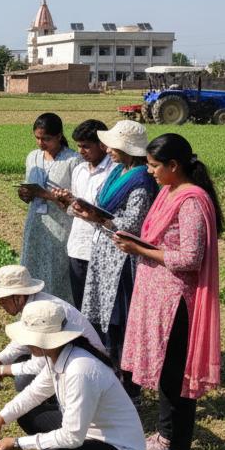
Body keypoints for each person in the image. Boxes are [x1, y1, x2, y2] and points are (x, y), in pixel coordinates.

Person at [116, 133, 224, 450]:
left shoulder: (191, 201)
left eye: (153, 165)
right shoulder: (169, 191)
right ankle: (165, 436)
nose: (149, 171)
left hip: (177, 302)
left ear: (173, 166)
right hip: (158, 298)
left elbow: (190, 258)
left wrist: (140, 250)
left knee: (178, 378)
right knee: (166, 372)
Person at [0, 301, 145, 450]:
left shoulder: (80, 370)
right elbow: (34, 392)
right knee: (28, 415)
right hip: (89, 433)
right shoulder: (59, 355)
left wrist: (17, 444)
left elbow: (72, 436)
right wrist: (1, 418)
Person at [66, 119, 157, 367]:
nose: (108, 150)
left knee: (119, 314)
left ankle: (124, 368)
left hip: (123, 257)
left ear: (127, 149)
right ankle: (108, 361)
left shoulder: (141, 180)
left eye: (113, 146)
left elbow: (133, 223)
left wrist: (99, 219)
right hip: (104, 251)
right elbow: (102, 206)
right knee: (105, 314)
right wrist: (88, 212)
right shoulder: (118, 172)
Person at [0, 264, 106, 430]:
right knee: (24, 375)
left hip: (89, 396)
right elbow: (22, 343)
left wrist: (3, 369)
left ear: (19, 297)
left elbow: (38, 366)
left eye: (3, 298)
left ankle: (56, 403)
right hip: (86, 373)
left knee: (24, 383)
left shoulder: (42, 312)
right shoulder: (37, 306)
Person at [18, 113, 80, 306]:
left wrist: (45, 194)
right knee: (32, 267)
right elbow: (29, 187)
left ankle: (58, 312)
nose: (40, 143)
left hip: (61, 227)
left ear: (59, 136)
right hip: (36, 224)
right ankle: (33, 310)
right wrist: (25, 194)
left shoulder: (73, 160)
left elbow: (77, 200)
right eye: (37, 138)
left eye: (46, 139)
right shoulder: (33, 157)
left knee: (57, 271)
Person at [59, 120, 111, 309]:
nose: (81, 151)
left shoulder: (114, 172)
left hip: (102, 249)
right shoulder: (79, 170)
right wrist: (65, 201)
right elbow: (73, 209)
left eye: (86, 146)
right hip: (77, 247)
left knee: (101, 307)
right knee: (80, 305)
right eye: (79, 146)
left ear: (102, 145)